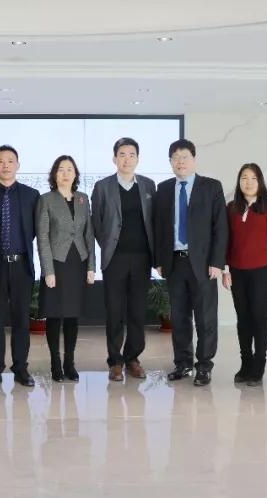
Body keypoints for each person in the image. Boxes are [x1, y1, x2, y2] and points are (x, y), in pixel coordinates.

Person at [152, 139, 228, 386]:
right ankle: (183, 363)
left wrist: (217, 261)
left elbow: (220, 227)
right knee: (180, 317)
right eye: (175, 157)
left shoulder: (211, 187)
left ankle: (204, 365)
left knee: (205, 318)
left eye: (184, 156)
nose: (180, 161)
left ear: (194, 159)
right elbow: (159, 227)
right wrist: (159, 260)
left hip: (204, 264)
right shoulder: (164, 189)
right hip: (174, 262)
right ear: (170, 162)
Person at [0, 145, 41, 388]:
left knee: (21, 320)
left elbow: (35, 231)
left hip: (21, 265)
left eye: (10, 160)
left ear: (17, 165)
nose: (5, 165)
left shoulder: (32, 195)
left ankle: (21, 369)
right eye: (0, 161)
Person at [91, 137, 156, 382]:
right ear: (114, 158)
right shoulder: (102, 186)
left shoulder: (148, 185)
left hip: (142, 258)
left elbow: (154, 221)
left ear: (138, 159)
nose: (127, 159)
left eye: (131, 154)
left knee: (137, 311)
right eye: (122, 154)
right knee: (114, 311)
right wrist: (108, 245)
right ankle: (115, 361)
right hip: (115, 259)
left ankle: (133, 358)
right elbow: (96, 222)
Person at [221, 163, 267, 386]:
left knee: (258, 315)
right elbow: (225, 239)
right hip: (236, 271)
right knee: (243, 317)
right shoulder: (231, 207)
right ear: (239, 181)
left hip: (261, 271)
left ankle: (259, 363)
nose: (248, 182)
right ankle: (245, 362)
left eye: (253, 178)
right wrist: (225, 269)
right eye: (244, 178)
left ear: (260, 182)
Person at [36, 155, 96, 382]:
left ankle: (69, 363)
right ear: (54, 174)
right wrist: (48, 270)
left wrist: (91, 266)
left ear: (75, 174)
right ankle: (55, 364)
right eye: (61, 169)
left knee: (72, 315)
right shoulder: (46, 200)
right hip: (57, 263)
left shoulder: (83, 199)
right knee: (54, 315)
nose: (65, 173)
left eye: (70, 169)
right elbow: (42, 237)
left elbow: (89, 235)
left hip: (78, 262)